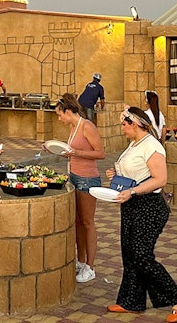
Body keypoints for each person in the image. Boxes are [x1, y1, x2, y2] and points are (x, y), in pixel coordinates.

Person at [105, 106, 177, 321]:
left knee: (142, 257)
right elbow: (137, 173)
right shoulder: (134, 144)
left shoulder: (152, 146)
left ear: (134, 124)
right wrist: (117, 175)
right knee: (129, 253)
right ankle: (132, 301)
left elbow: (159, 179)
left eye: (124, 125)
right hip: (131, 205)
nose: (122, 129)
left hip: (149, 206)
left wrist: (132, 191)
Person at [53, 94, 106, 283]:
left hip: (87, 178)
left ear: (68, 112)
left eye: (60, 115)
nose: (59, 119)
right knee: (77, 221)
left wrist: (76, 153)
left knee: (88, 222)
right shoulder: (73, 127)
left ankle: (90, 266)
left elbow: (100, 153)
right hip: (74, 176)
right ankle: (81, 261)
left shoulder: (86, 126)